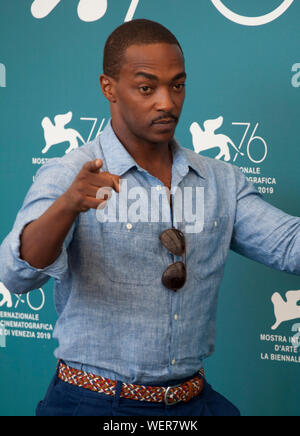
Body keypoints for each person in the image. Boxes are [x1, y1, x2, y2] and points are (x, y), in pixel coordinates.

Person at [0, 19, 299, 417]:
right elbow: (16, 275)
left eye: (177, 85)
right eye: (147, 87)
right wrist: (68, 205)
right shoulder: (69, 173)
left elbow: (290, 247)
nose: (167, 102)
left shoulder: (221, 180)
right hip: (93, 402)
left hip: (193, 401)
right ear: (109, 88)